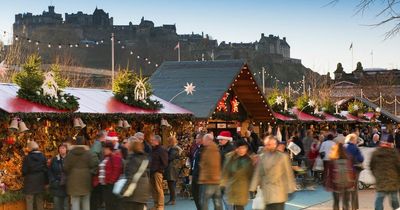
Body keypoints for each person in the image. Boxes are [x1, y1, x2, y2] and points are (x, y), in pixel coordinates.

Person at [250, 135, 296, 210]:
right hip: (266, 193)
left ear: (275, 144)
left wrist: (291, 189)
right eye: (267, 145)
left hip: (278, 192)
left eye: (270, 144)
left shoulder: (283, 156)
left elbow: (288, 174)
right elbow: (257, 174)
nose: (268, 146)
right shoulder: (262, 157)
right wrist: (252, 188)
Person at [64, 136, 98, 210]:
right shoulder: (88, 153)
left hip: (73, 182)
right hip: (86, 181)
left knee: (75, 202)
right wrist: (90, 172)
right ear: (84, 143)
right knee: (86, 202)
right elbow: (95, 164)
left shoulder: (70, 154)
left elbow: (65, 167)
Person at [221, 139, 254, 210]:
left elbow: (251, 175)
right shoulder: (230, 157)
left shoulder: (249, 160)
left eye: (244, 148)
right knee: (229, 207)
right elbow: (225, 172)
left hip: (242, 188)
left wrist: (253, 188)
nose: (242, 150)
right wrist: (222, 184)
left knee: (239, 207)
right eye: (239, 148)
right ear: (236, 148)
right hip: (231, 187)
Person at [122, 137, 151, 210]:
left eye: (127, 143)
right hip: (142, 192)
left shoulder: (133, 160)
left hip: (134, 193)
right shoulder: (144, 158)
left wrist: (124, 191)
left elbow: (131, 177)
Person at [370, 140, 400, 210]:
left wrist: (376, 175)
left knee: (379, 197)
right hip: (393, 179)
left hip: (381, 179)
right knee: (394, 199)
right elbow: (398, 166)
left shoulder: (376, 153)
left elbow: (371, 166)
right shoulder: (394, 153)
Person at [326, 143, 355, 210]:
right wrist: (352, 183)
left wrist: (330, 185)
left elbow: (330, 174)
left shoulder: (332, 161)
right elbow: (353, 171)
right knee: (346, 202)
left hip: (336, 184)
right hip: (348, 183)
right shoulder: (349, 159)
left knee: (336, 202)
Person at [199, 133, 222, 210]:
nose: (203, 141)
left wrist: (202, 166)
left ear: (208, 140)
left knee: (204, 201)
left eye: (204, 140)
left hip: (209, 180)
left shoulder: (210, 150)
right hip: (215, 179)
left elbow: (212, 164)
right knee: (217, 200)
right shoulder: (214, 148)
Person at [22, 141, 48, 210]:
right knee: (39, 200)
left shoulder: (27, 158)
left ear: (30, 148)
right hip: (40, 181)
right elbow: (46, 170)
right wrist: (46, 182)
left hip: (30, 182)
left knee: (29, 201)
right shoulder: (43, 156)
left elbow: (24, 171)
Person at [97, 142, 123, 210]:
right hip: (104, 184)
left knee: (111, 204)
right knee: (108, 203)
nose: (104, 150)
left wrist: (111, 181)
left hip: (110, 185)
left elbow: (116, 170)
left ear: (109, 149)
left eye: (105, 148)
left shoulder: (114, 157)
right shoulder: (106, 158)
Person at [344, 133, 364, 210]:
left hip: (343, 171)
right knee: (354, 190)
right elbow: (361, 159)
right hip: (354, 171)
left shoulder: (342, 147)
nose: (356, 141)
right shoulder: (355, 147)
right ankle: (354, 207)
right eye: (355, 140)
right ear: (353, 140)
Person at [149, 135, 168, 210]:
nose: (151, 141)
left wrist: (159, 170)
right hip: (151, 172)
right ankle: (156, 204)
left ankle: (160, 206)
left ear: (157, 141)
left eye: (152, 140)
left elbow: (165, 163)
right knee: (153, 189)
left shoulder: (162, 150)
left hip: (158, 172)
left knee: (159, 189)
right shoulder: (152, 150)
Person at [49, 144, 69, 210]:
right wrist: (53, 180)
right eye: (60, 148)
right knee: (57, 206)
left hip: (66, 186)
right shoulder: (54, 159)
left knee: (66, 206)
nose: (61, 149)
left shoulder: (69, 159)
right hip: (57, 185)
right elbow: (50, 171)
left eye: (63, 148)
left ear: (66, 149)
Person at [90, 131, 106, 210]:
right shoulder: (97, 144)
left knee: (97, 196)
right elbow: (93, 156)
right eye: (106, 136)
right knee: (96, 196)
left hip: (97, 173)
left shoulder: (99, 144)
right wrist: (100, 165)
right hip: (96, 173)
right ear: (102, 137)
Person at [164, 136, 183, 206]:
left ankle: (172, 200)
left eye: (168, 141)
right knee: (171, 184)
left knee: (171, 185)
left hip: (172, 168)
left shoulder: (174, 149)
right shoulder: (173, 148)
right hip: (172, 168)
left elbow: (170, 158)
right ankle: (172, 199)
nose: (167, 143)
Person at [191, 133, 204, 210]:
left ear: (201, 139)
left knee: (200, 197)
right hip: (195, 174)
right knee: (195, 195)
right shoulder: (197, 148)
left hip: (200, 176)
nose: (195, 140)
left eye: (197, 138)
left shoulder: (203, 149)